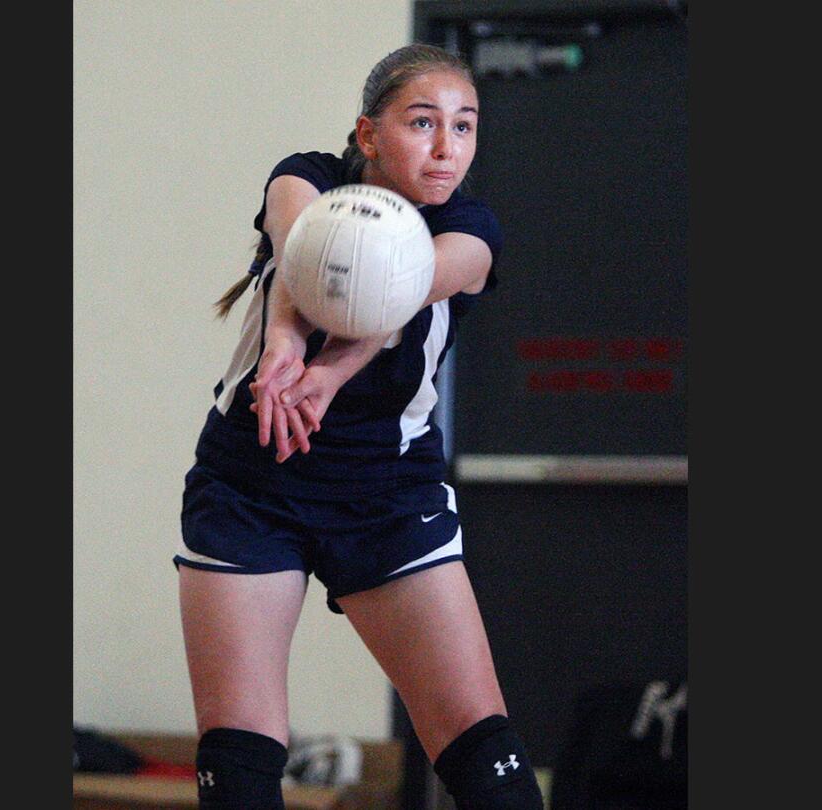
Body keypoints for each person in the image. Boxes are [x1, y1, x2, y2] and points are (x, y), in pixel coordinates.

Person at [174, 43, 544, 810]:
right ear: (369, 134)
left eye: (465, 126)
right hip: (251, 483)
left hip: (388, 498)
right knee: (239, 770)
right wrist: (282, 342)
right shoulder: (304, 176)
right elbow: (300, 249)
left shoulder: (470, 230)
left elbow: (395, 287)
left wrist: (329, 375)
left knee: (490, 769)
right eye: (422, 122)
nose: (448, 148)